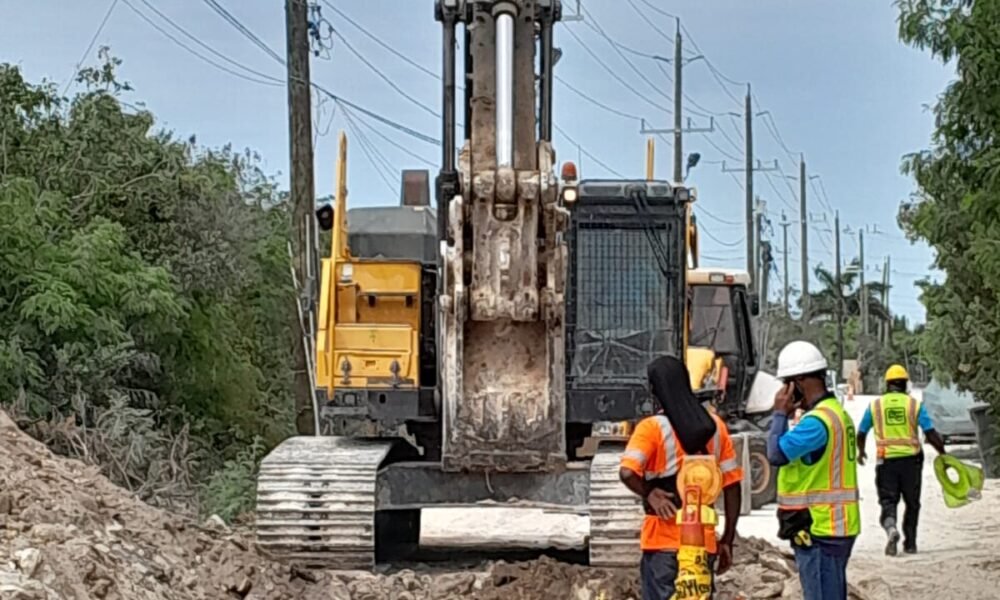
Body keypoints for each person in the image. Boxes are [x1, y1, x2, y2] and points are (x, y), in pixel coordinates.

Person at [619, 355, 744, 600]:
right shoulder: (717, 427)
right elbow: (732, 486)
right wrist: (727, 539)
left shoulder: (652, 428)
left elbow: (626, 472)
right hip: (702, 545)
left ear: (654, 390)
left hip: (662, 545)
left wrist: (649, 492)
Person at [767, 341, 860, 600]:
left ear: (798, 381)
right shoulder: (836, 414)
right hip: (834, 526)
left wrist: (779, 415)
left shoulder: (817, 423)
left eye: (786, 384)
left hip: (819, 528)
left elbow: (775, 454)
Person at [856, 364, 946, 556]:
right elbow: (930, 433)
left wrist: (861, 452)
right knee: (912, 503)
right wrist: (943, 453)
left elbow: (861, 432)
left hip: (886, 461)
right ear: (905, 384)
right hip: (911, 462)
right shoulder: (914, 405)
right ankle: (910, 544)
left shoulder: (875, 406)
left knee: (888, 501)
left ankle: (890, 529)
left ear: (887, 385)